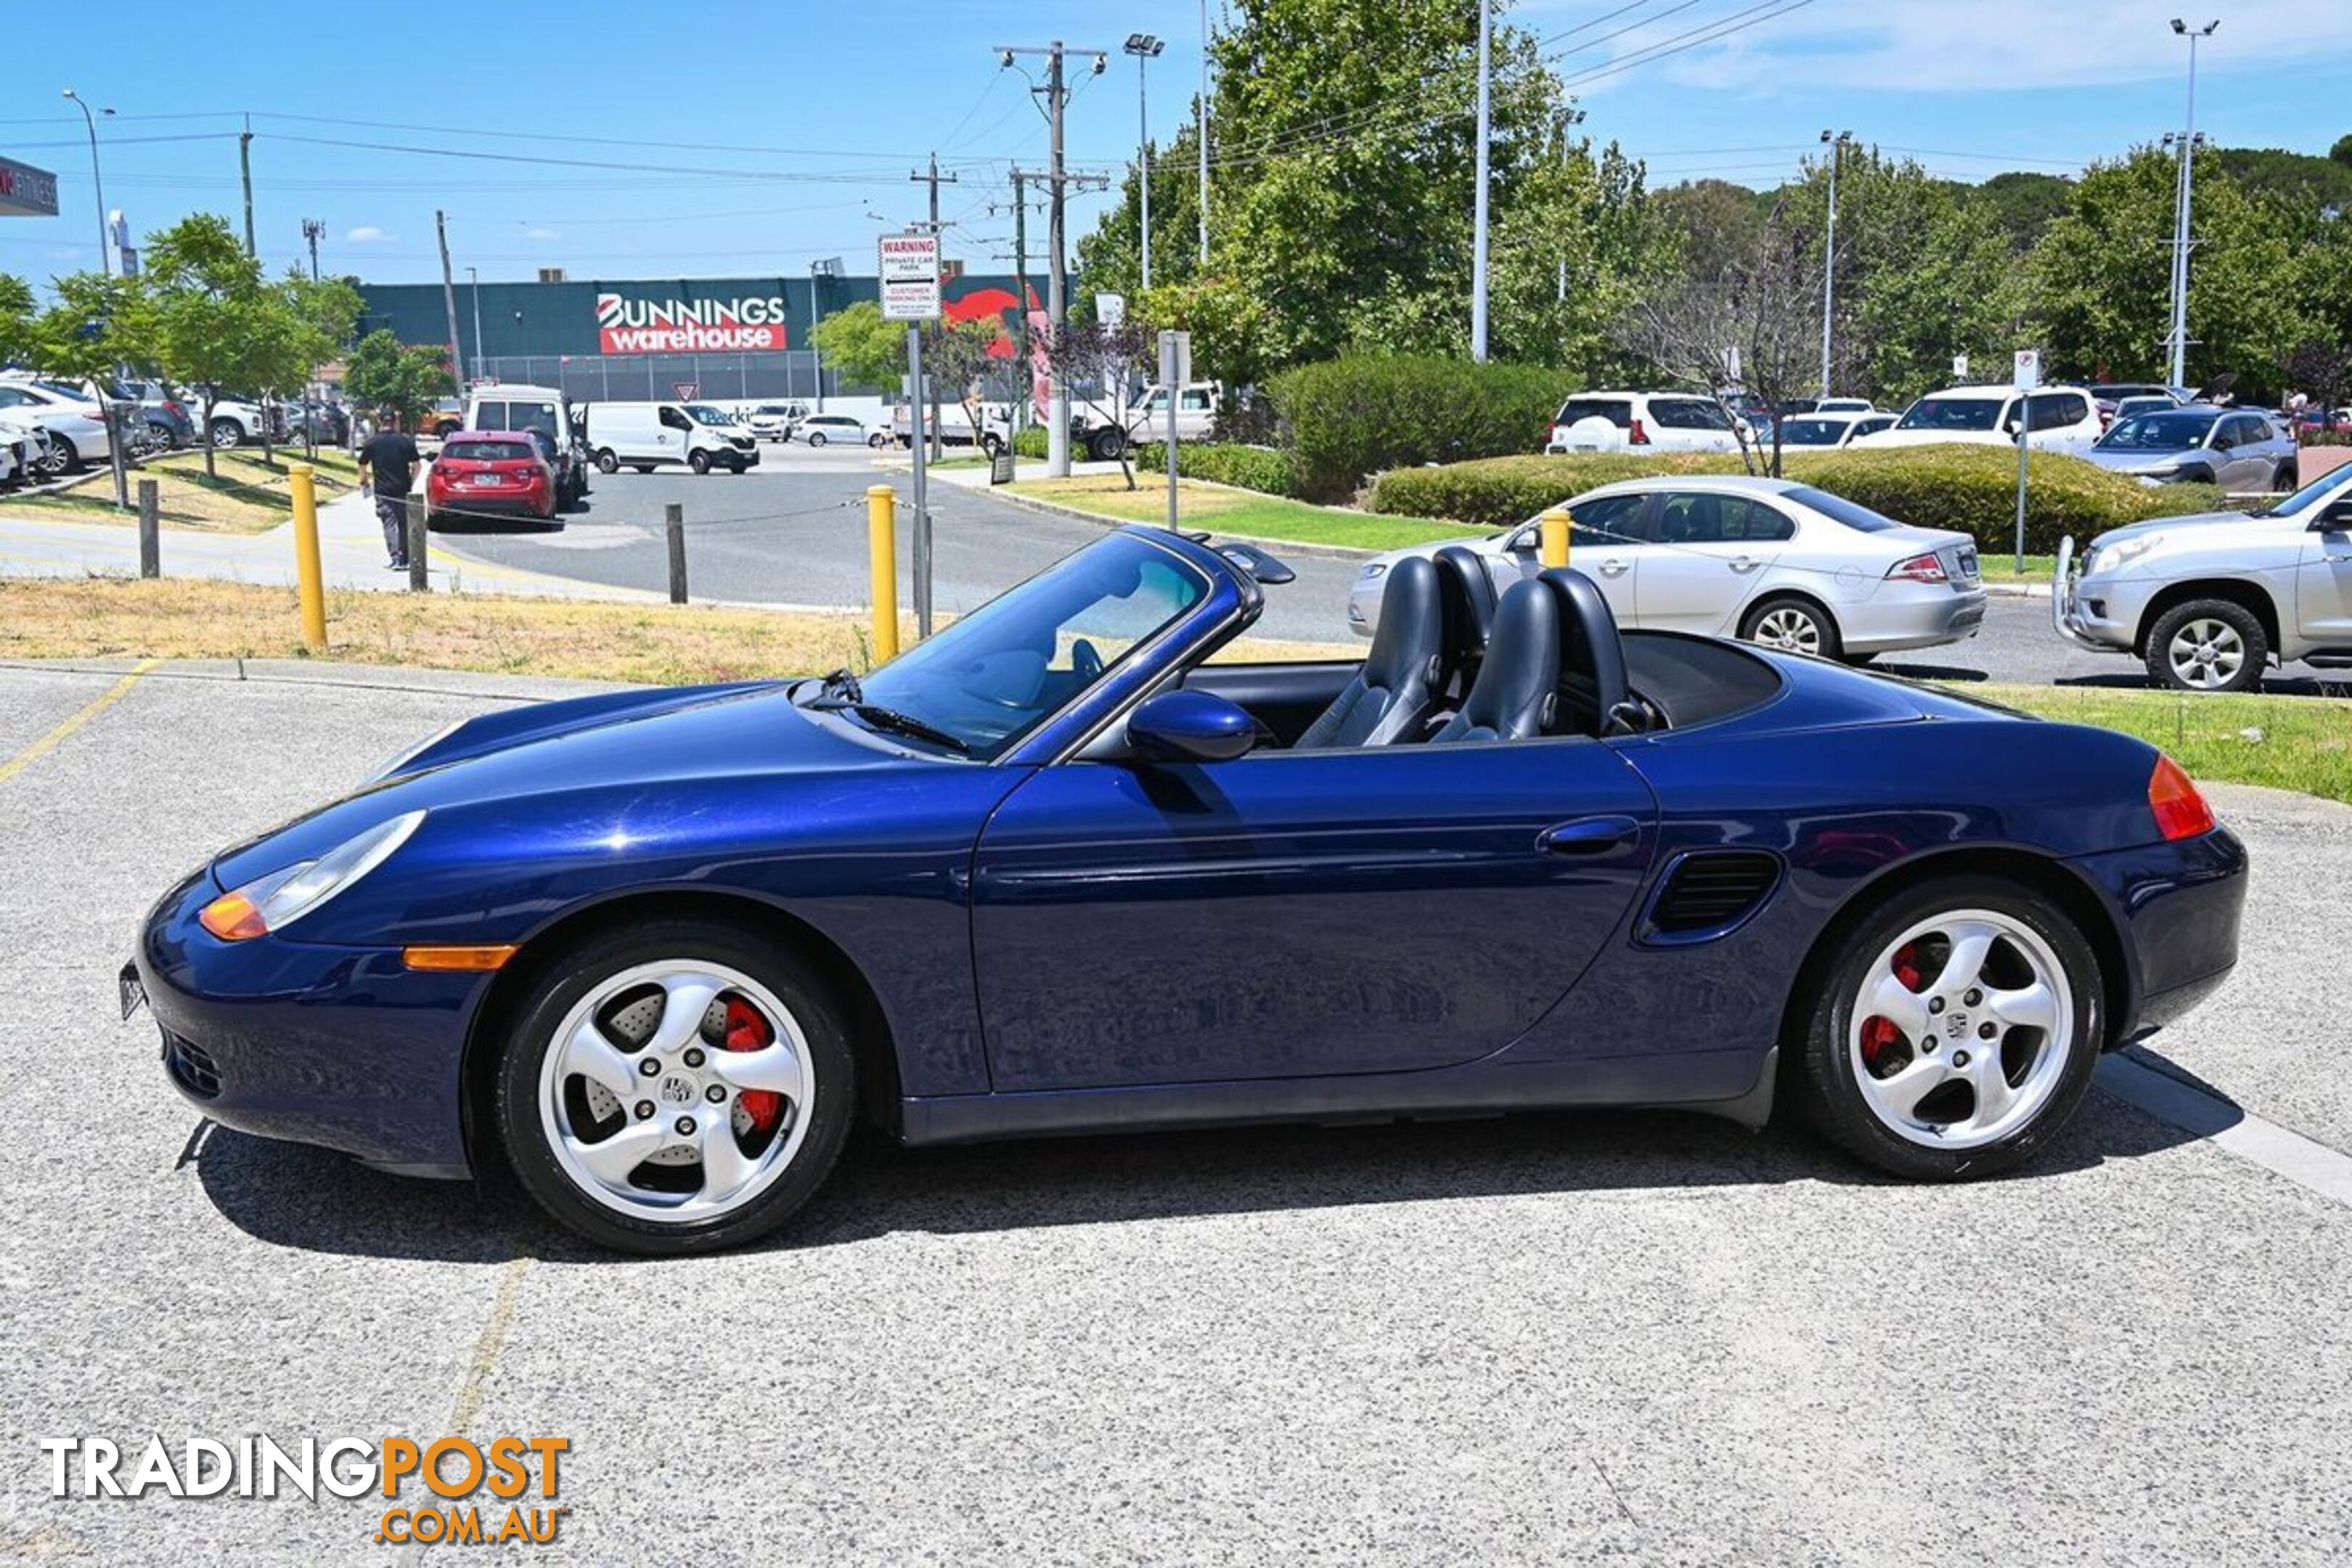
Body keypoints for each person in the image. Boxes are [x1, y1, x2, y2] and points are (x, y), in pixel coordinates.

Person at [357, 412, 422, 572]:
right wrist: (411, 481)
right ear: (396, 422)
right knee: (404, 523)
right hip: (402, 489)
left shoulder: (372, 442)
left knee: (389, 523)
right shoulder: (405, 441)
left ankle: (396, 558)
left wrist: (364, 481)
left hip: (383, 491)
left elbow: (362, 465)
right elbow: (417, 466)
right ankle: (405, 558)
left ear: (380, 422)